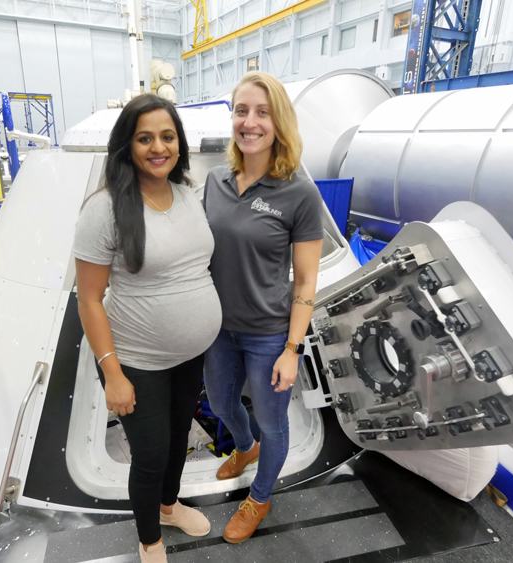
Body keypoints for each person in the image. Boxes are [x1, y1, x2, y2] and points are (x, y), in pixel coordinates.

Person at [74, 94, 221, 563]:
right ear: (127, 145)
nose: (158, 147)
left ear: (179, 142)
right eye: (145, 138)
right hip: (137, 360)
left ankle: (169, 506)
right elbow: (89, 298)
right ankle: (149, 538)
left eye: (167, 136)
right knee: (152, 453)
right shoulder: (105, 209)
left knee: (179, 439)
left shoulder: (185, 192)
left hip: (189, 354)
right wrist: (111, 372)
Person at [202, 72, 325, 544]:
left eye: (262, 112)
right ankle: (245, 447)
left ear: (279, 122)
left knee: (274, 421)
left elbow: (307, 280)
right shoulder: (215, 181)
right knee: (220, 402)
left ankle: (260, 494)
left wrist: (293, 348)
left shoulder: (298, 194)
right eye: (241, 111)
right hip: (217, 327)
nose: (249, 122)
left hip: (269, 333)